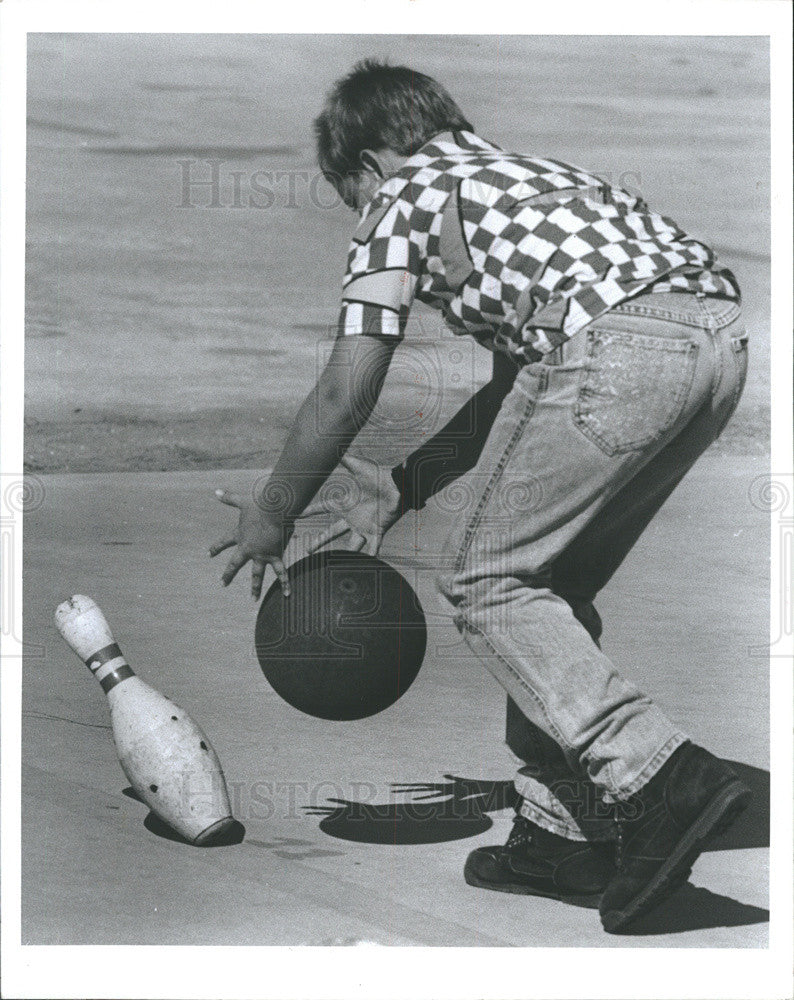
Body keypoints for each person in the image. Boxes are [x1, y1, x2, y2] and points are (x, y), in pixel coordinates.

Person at [211, 60, 752, 932]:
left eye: (351, 193)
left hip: (615, 353)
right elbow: (521, 381)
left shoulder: (400, 196)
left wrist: (274, 514)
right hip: (713, 349)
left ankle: (658, 772)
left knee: (486, 579)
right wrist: (405, 484)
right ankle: (560, 831)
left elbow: (349, 387)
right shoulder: (532, 178)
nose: (362, 211)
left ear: (372, 163)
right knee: (551, 582)